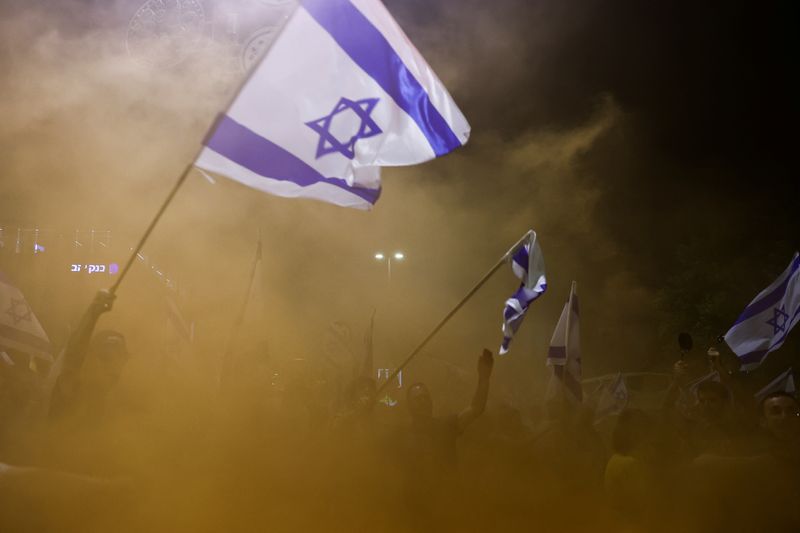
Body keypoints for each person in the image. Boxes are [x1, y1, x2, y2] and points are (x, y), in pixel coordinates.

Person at [47, 290, 129, 422]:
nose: (115, 365)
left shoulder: (118, 401)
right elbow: (75, 350)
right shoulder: (75, 384)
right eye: (107, 358)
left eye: (121, 357)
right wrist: (93, 314)